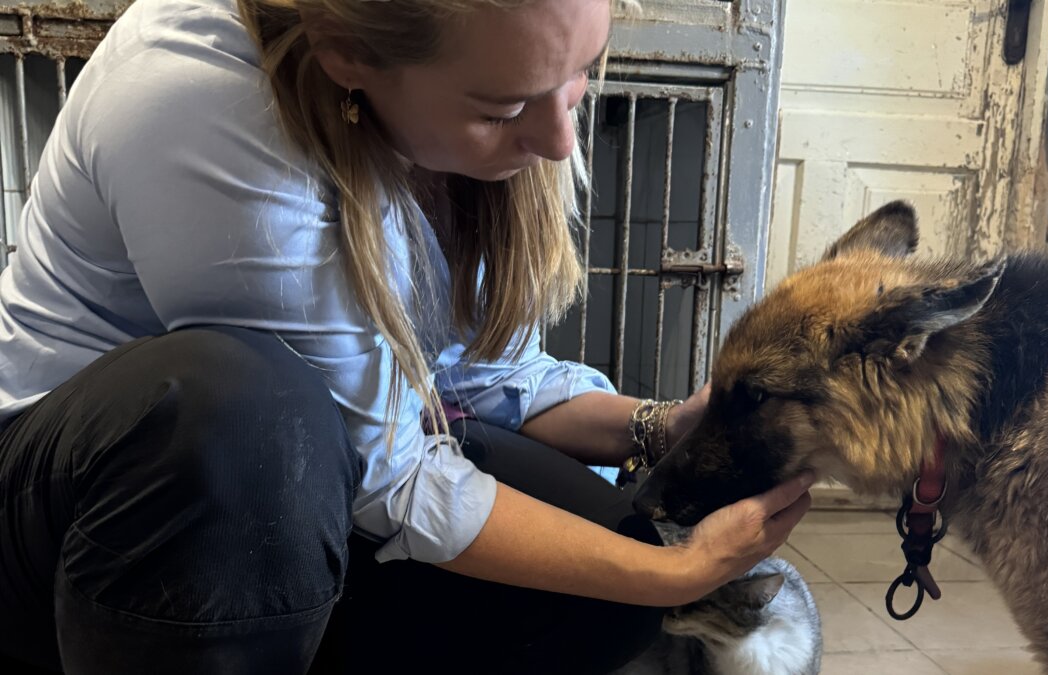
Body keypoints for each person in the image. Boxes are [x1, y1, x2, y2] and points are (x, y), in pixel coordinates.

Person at [0, 0, 816, 672]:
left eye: (579, 73)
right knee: (240, 413)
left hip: (314, 477)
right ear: (347, 54)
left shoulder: (460, 108)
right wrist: (678, 572)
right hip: (80, 509)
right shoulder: (201, 96)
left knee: (596, 590)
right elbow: (392, 485)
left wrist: (665, 423)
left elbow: (476, 376)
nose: (561, 141)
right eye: (501, 108)